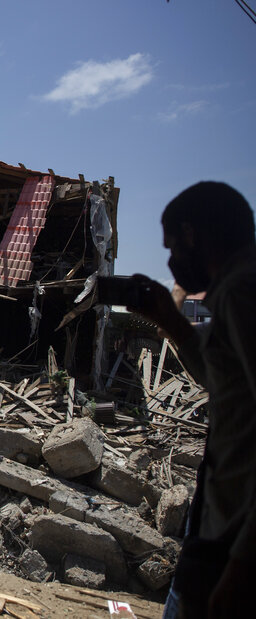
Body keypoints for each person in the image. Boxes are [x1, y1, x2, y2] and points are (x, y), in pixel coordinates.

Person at [129, 182, 256, 618]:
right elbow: (227, 382)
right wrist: (170, 321)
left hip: (234, 537)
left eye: (172, 247)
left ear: (192, 234)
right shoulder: (235, 293)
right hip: (219, 524)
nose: (170, 261)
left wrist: (242, 564)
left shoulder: (242, 292)